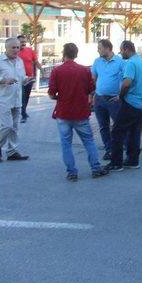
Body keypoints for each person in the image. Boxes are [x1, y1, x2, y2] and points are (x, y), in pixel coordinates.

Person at [48, 43, 109, 181]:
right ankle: (95, 168)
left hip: (63, 113)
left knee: (66, 144)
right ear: (76, 54)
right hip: (81, 112)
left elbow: (52, 93)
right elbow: (91, 89)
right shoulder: (85, 70)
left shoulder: (57, 71)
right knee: (88, 141)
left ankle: (72, 173)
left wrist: (60, 97)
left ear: (64, 54)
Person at [106, 41, 142, 172]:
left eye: (121, 50)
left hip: (131, 103)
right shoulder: (141, 62)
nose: (120, 53)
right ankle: (132, 160)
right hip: (141, 104)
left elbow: (126, 83)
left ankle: (116, 163)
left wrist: (120, 96)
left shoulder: (130, 63)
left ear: (126, 49)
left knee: (117, 131)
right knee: (134, 133)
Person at [0, 38, 29, 162]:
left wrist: (26, 79)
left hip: (16, 99)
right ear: (6, 48)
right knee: (7, 125)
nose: (16, 50)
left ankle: (12, 151)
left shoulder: (19, 61)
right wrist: (3, 80)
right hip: (2, 99)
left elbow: (21, 77)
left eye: (18, 47)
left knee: (14, 127)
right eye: (13, 47)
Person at [91, 39, 125, 161]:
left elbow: (125, 80)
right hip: (99, 99)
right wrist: (92, 94)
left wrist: (121, 95)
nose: (98, 50)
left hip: (114, 100)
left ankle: (125, 149)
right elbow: (93, 78)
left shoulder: (120, 62)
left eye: (100, 48)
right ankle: (109, 150)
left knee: (118, 125)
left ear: (107, 48)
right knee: (103, 126)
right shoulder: (97, 62)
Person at [17, 35, 41, 123]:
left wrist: (41, 70)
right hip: (20, 79)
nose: (23, 43)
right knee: (22, 97)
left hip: (29, 78)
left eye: (24, 42)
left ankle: (24, 111)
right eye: (21, 42)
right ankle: (23, 114)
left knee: (26, 96)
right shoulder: (15, 52)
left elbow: (36, 62)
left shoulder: (30, 50)